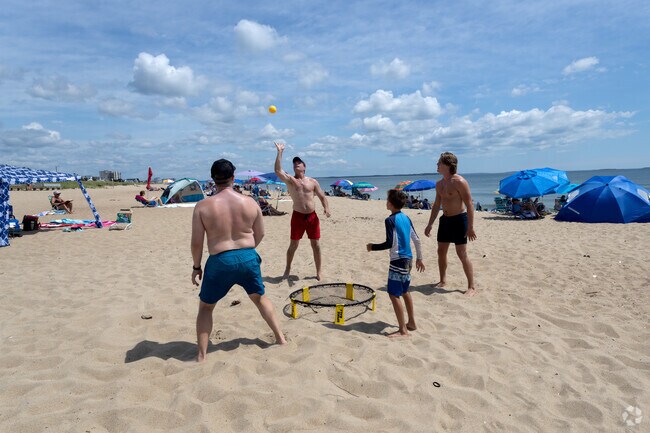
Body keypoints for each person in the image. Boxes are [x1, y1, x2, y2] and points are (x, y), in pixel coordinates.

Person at [191, 159, 286, 362]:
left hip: (219, 260)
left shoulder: (203, 206)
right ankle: (280, 339)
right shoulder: (250, 202)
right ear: (233, 178)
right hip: (248, 256)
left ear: (213, 179)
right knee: (259, 298)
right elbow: (260, 234)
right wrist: (245, 253)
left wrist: (196, 266)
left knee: (206, 307)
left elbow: (196, 243)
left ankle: (202, 356)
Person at [367, 190, 425, 338]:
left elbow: (389, 243)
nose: (386, 202)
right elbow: (417, 240)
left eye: (387, 200)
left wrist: (372, 247)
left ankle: (402, 330)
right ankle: (411, 322)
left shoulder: (390, 220)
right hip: (409, 259)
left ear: (391, 204)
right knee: (405, 291)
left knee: (394, 294)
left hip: (398, 260)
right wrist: (420, 258)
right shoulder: (406, 217)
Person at [274, 142, 331, 280]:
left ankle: (318, 272)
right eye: (294, 163)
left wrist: (326, 208)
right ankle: (287, 269)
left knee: (316, 244)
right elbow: (277, 170)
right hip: (298, 216)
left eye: (299, 162)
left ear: (304, 166)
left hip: (312, 217)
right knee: (293, 244)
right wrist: (280, 152)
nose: (296, 164)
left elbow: (322, 196)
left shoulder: (312, 181)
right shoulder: (290, 180)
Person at [424, 152, 477, 297]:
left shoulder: (459, 182)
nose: (437, 165)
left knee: (461, 253)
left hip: (460, 220)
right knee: (441, 251)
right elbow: (436, 205)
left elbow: (470, 204)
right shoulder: (439, 184)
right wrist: (430, 224)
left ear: (447, 165)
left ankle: (471, 286)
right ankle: (442, 280)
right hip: (445, 220)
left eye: (439, 163)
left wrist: (470, 227)